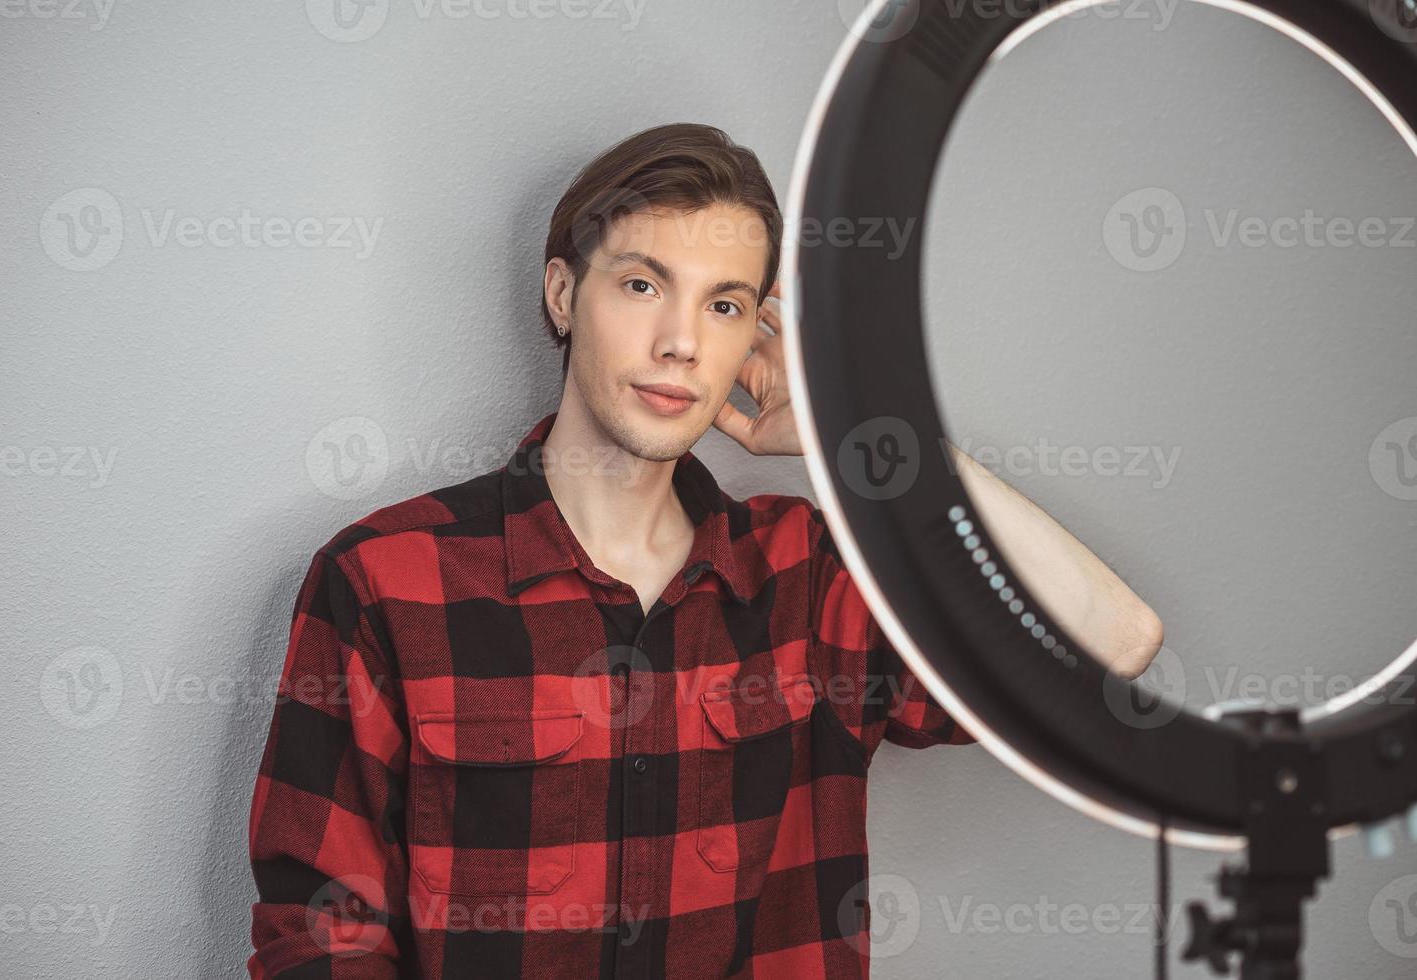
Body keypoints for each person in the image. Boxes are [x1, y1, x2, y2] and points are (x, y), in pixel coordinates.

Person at [246, 122, 1163, 979]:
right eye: (642, 284)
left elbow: (1109, 643)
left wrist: (868, 426)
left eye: (723, 305)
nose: (681, 342)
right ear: (564, 294)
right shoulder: (384, 581)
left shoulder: (810, 581)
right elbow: (321, 939)